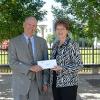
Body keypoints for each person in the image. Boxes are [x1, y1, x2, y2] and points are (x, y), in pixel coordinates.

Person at [8, 16, 49, 100]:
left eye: (34, 25)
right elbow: (12, 63)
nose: (31, 27)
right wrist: (30, 68)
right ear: (23, 25)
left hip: (37, 83)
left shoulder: (42, 42)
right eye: (29, 24)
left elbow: (46, 63)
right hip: (20, 83)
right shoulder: (14, 42)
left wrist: (45, 82)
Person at [51, 19, 83, 100]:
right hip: (55, 82)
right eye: (58, 29)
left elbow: (79, 65)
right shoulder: (55, 45)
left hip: (68, 84)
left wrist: (62, 68)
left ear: (67, 30)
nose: (60, 31)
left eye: (62, 29)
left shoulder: (72, 44)